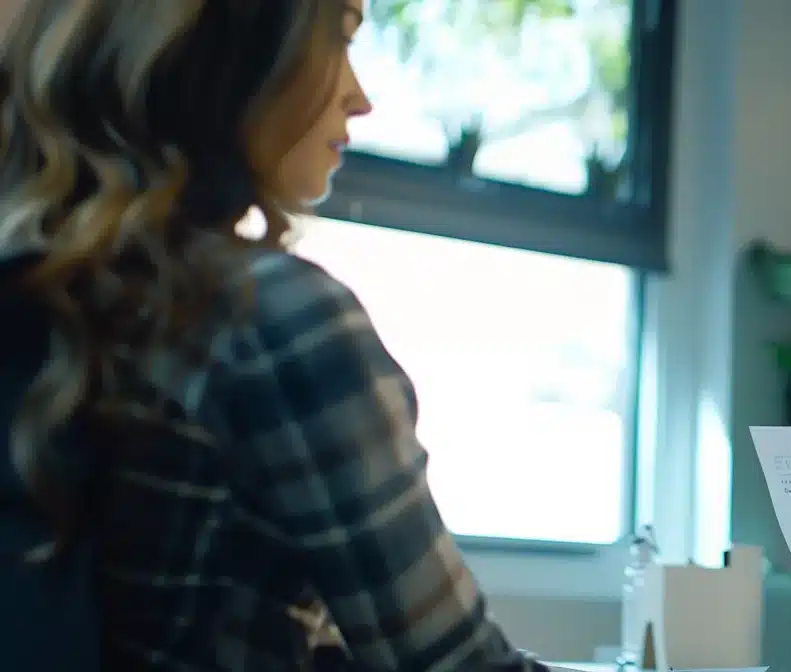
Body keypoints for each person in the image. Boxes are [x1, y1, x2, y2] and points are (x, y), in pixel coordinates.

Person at [0, 1, 547, 669]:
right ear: (237, 50)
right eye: (339, 41)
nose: (360, 98)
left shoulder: (42, 292)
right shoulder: (270, 321)